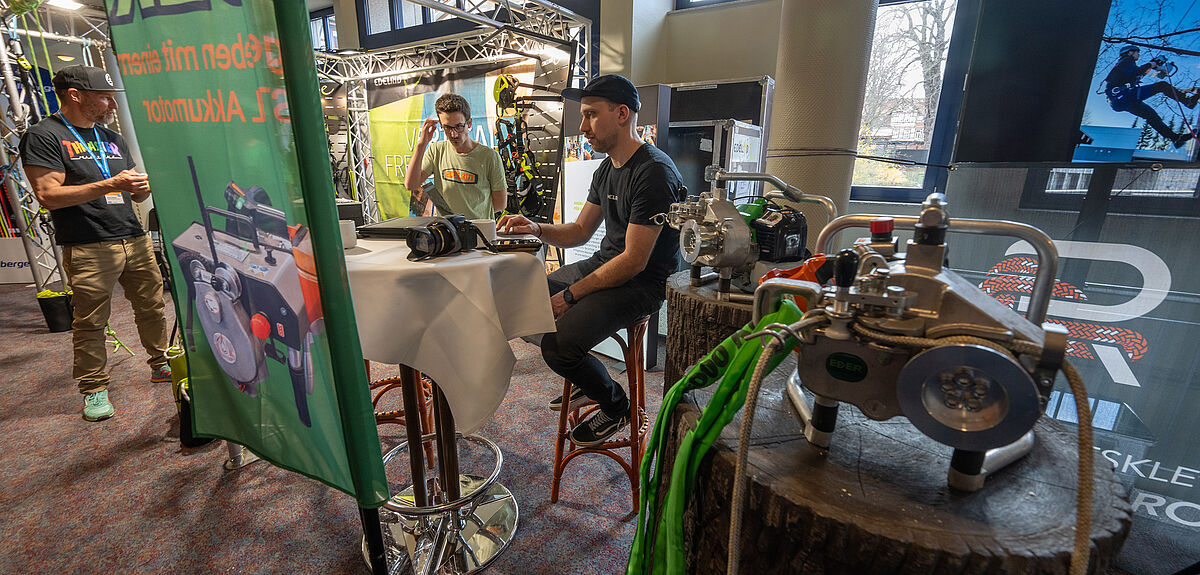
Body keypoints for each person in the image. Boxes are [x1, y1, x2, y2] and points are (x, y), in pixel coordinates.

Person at [498, 75, 684, 446]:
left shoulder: (653, 172)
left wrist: (570, 296)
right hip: (605, 264)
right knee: (523, 295)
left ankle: (616, 406)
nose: (583, 126)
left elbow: (633, 261)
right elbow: (581, 231)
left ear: (622, 114)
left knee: (558, 348)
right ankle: (588, 376)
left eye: (591, 115)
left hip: (641, 284)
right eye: (583, 116)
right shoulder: (606, 168)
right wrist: (536, 228)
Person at [19, 65, 170, 422]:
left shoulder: (111, 138)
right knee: (90, 321)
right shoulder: (44, 136)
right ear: (75, 95)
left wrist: (140, 188)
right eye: (105, 98)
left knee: (152, 307)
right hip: (88, 244)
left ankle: (161, 362)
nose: (112, 106)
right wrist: (111, 184)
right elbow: (48, 195)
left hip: (133, 237)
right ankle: (94, 387)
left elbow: (132, 191)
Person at [405, 93, 507, 220]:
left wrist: (476, 214)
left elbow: (500, 203)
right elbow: (411, 185)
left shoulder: (489, 156)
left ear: (469, 123)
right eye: (447, 127)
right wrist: (421, 145)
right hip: (446, 228)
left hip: (479, 229)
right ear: (441, 125)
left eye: (459, 126)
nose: (453, 134)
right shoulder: (436, 150)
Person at [1104, 44, 1200, 148]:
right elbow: (1137, 72)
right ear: (1130, 52)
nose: (1139, 54)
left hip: (1119, 101)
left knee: (1151, 115)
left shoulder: (1124, 66)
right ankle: (1188, 102)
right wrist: (1151, 64)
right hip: (1123, 95)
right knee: (1162, 86)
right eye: (1137, 52)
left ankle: (1175, 138)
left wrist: (1152, 66)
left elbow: (1137, 75)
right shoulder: (1126, 60)